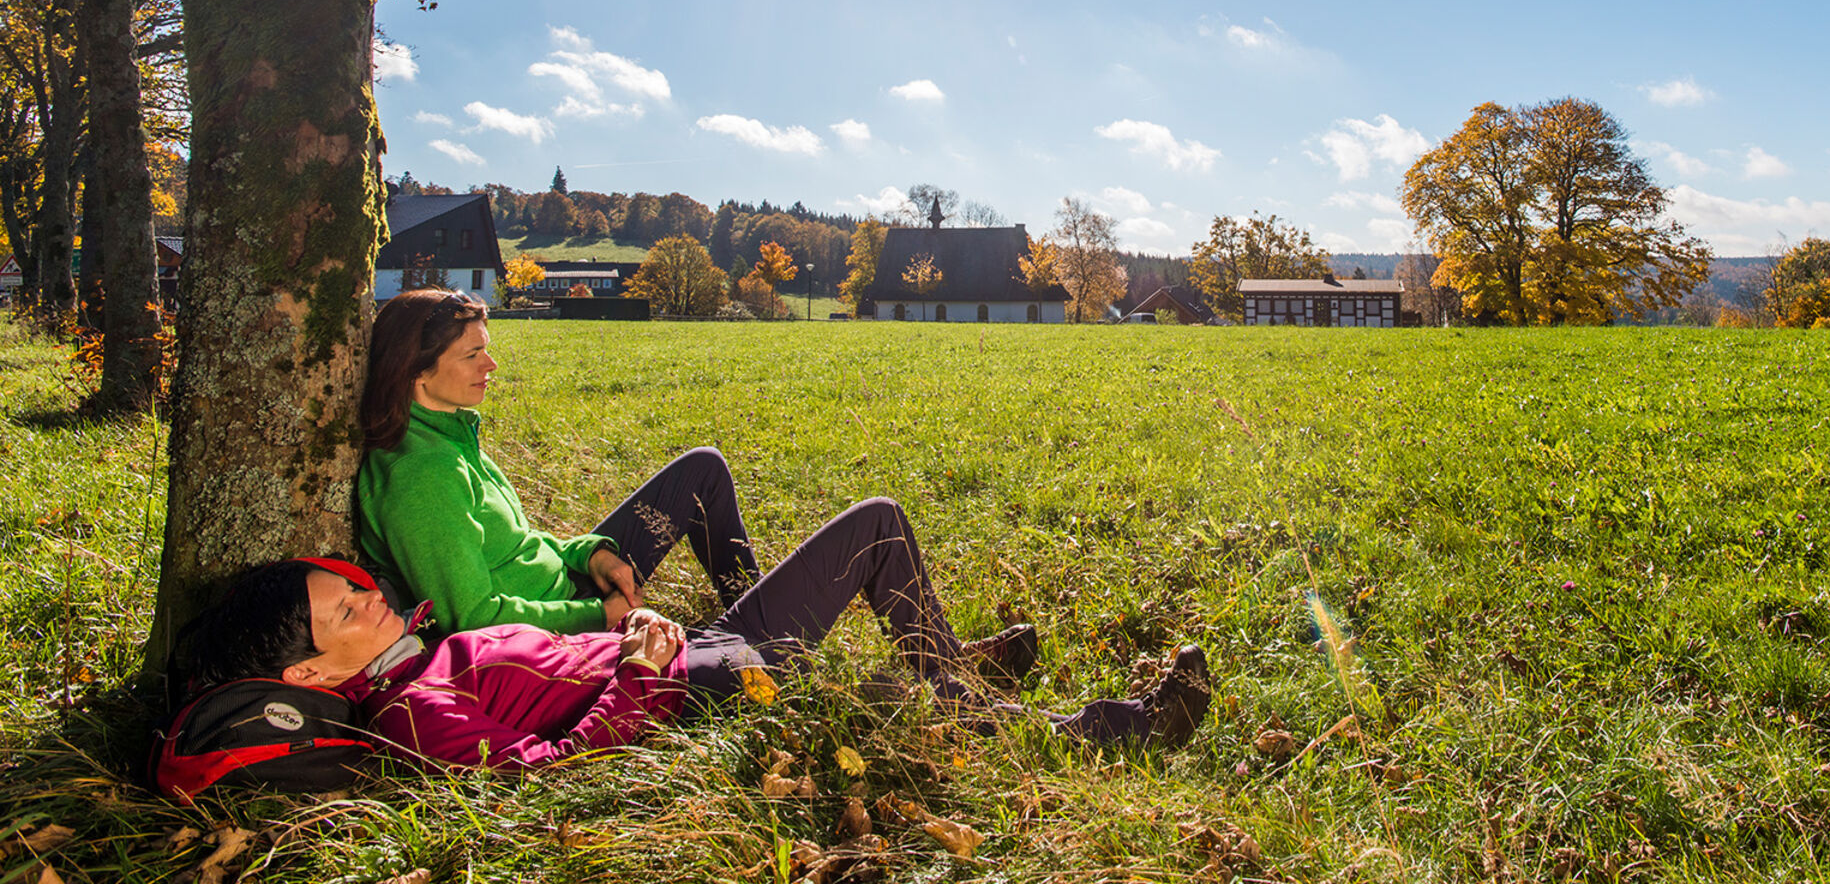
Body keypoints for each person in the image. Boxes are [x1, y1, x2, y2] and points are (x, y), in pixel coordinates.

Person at [189, 501, 1213, 770]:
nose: (368, 599)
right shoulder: (414, 713)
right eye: (344, 612)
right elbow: (542, 768)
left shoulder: (419, 652)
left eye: (351, 586)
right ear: (311, 671)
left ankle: (951, 670)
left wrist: (632, 639)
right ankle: (1122, 723)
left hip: (697, 648)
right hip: (703, 690)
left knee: (879, 524)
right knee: (901, 717)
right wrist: (636, 678)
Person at [357, 289, 763, 634]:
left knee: (703, 469)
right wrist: (598, 616)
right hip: (555, 625)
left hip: (571, 583)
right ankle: (761, 628)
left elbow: (517, 545)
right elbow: (472, 618)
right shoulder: (422, 475)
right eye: (472, 354)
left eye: (487, 350)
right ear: (416, 371)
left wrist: (589, 554)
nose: (490, 365)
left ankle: (751, 608)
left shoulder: (451, 435)